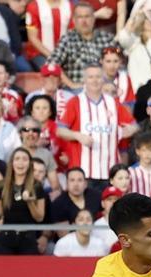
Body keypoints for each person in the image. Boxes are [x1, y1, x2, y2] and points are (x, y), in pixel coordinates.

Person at [56, 63, 138, 192]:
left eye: (98, 77)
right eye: (91, 77)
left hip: (110, 172)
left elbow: (134, 125)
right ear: (84, 80)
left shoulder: (113, 103)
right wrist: (77, 135)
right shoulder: (75, 102)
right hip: (84, 173)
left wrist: (129, 130)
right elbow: (60, 130)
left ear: (103, 79)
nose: (95, 80)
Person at [0, 146, 48, 253]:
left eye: (24, 159)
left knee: (28, 270)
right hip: (6, 238)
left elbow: (39, 217)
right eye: (17, 159)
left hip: (28, 238)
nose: (20, 163)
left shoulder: (37, 186)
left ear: (30, 164)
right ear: (12, 163)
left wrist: (30, 202)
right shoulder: (2, 186)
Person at [49, 2, 118, 89]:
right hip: (76, 90)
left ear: (93, 18)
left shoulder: (107, 39)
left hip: (104, 89)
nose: (84, 21)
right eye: (80, 17)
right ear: (74, 20)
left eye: (87, 16)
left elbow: (119, 64)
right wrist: (71, 84)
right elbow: (52, 64)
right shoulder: (67, 39)